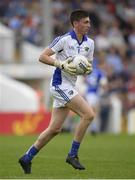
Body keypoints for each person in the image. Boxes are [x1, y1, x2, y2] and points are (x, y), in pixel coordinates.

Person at [18, 9, 95, 173]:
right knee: (89, 115)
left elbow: (88, 67)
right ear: (76, 24)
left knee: (54, 129)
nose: (89, 25)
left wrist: (86, 70)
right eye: (86, 22)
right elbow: (42, 56)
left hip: (70, 87)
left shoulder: (90, 44)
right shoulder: (64, 40)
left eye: (89, 22)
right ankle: (72, 155)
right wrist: (60, 64)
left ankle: (26, 157)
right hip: (59, 85)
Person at [85, 58, 108, 134]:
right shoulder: (100, 72)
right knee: (95, 112)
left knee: (89, 111)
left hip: (88, 93)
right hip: (95, 93)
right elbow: (104, 84)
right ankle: (94, 128)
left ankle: (92, 128)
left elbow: (85, 81)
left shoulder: (88, 72)